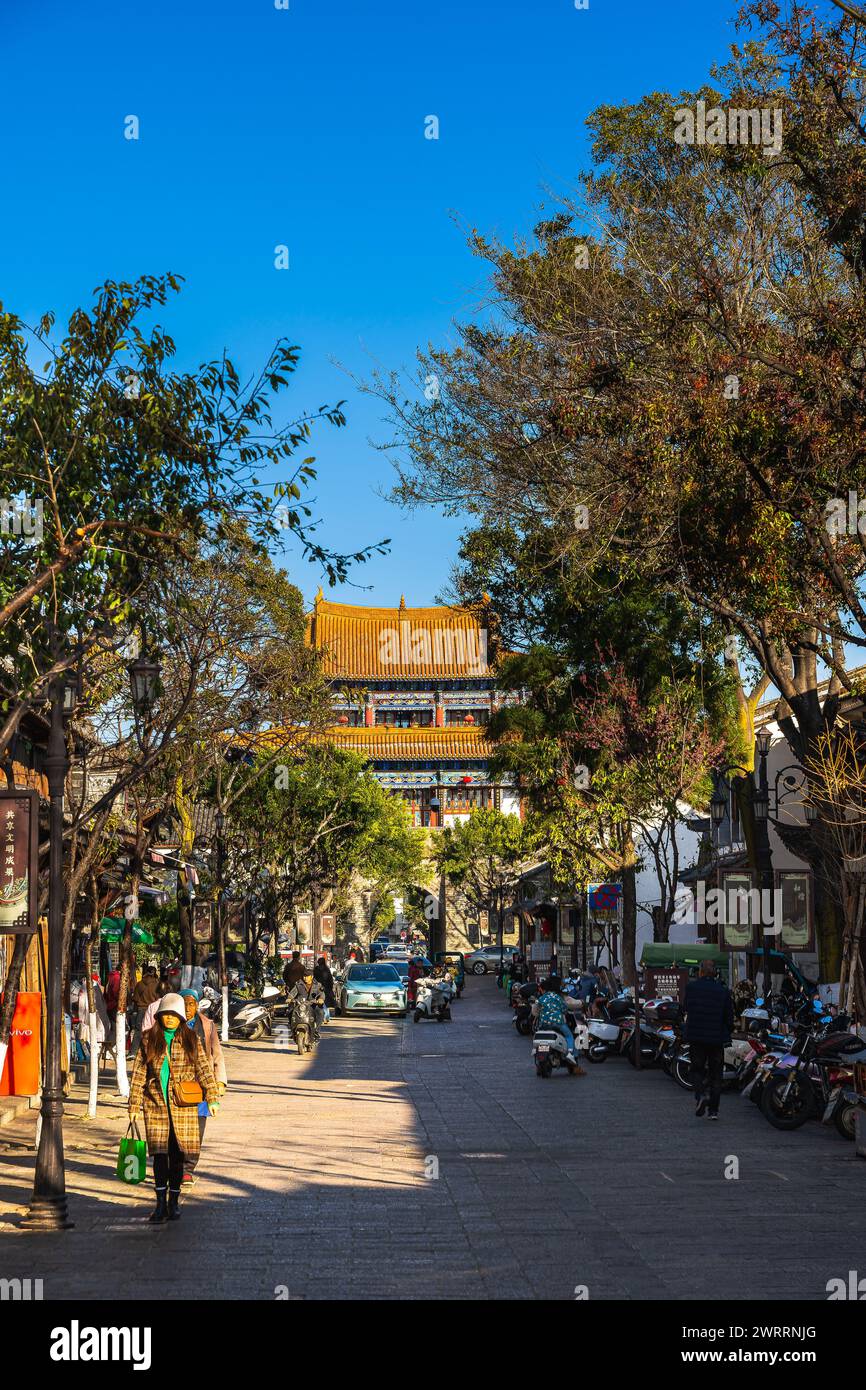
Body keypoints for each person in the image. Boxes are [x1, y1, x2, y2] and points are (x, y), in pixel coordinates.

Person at [128, 993, 220, 1223]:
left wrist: (212, 1097)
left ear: (180, 1017)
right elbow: (139, 1072)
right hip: (156, 1105)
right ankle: (160, 1204)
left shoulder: (191, 1039)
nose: (169, 1019)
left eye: (173, 1015)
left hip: (183, 1106)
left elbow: (204, 1069)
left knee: (178, 1155)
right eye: (165, 1014)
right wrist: (134, 1103)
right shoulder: (149, 1039)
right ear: (159, 1016)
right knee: (159, 1156)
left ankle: (174, 1202)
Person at [178, 989, 227, 1186]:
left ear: (197, 1005)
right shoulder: (171, 1024)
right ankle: (175, 1166)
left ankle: (188, 1169)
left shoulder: (207, 1026)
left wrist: (220, 1081)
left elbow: (216, 1054)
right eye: (185, 1003)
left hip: (201, 1086)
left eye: (191, 1004)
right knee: (177, 1131)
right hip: (177, 1086)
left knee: (197, 1130)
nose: (188, 1008)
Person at [683, 959, 735, 1120]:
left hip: (697, 1037)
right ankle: (714, 1111)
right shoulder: (722, 991)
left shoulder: (691, 988)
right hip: (716, 1039)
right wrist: (728, 1031)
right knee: (716, 1074)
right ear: (714, 973)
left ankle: (701, 1095)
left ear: (701, 971)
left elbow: (686, 1008)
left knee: (696, 1069)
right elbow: (729, 1017)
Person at [531, 976, 586, 1075]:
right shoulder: (560, 997)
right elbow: (567, 1006)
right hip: (558, 1022)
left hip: (543, 1024)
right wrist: (582, 1002)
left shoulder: (542, 997)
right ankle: (571, 1055)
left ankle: (539, 1064)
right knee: (570, 1036)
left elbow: (535, 1010)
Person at [286, 968, 325, 1041]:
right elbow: (292, 993)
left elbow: (321, 994)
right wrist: (289, 998)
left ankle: (316, 1031)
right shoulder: (298, 984)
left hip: (313, 1005)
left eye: (307, 976)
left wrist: (321, 999)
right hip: (300, 1005)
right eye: (304, 976)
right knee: (290, 1011)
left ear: (312, 976)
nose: (305, 978)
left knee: (320, 1012)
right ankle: (293, 1029)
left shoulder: (318, 985)